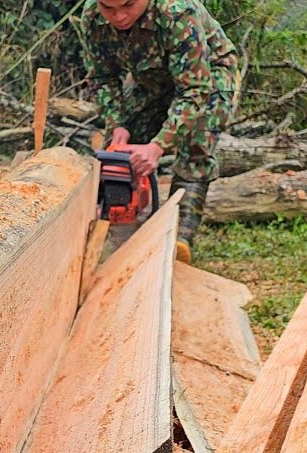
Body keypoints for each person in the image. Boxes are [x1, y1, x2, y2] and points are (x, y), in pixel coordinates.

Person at [85, 0, 240, 261]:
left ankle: (180, 236)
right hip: (152, 77)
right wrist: (118, 124)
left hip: (208, 74)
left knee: (196, 141)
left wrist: (157, 146)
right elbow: (102, 78)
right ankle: (123, 223)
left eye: (128, 5)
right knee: (119, 151)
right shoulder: (92, 16)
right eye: (108, 9)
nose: (119, 16)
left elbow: (194, 90)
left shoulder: (177, 12)